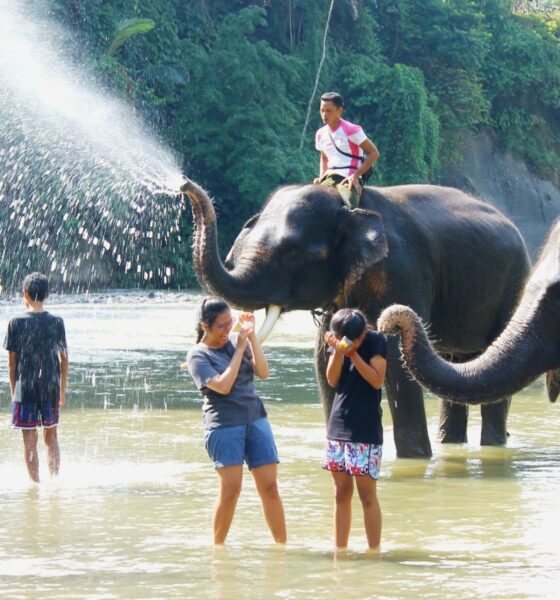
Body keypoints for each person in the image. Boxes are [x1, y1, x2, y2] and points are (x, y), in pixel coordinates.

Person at [186, 297, 287, 545]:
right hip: (224, 425)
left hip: (256, 419)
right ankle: (218, 549)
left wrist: (251, 338)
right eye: (221, 326)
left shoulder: (236, 340)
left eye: (230, 323)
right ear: (205, 326)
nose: (227, 330)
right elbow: (223, 386)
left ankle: (282, 546)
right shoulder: (197, 355)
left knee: (270, 487)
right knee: (231, 490)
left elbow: (263, 372)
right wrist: (240, 349)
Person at [323, 308, 387, 550]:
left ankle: (374, 552)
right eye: (343, 339)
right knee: (340, 492)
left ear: (362, 334)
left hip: (365, 429)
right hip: (338, 425)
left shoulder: (375, 341)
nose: (349, 342)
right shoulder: (340, 340)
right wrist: (339, 352)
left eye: (353, 339)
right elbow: (332, 379)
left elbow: (377, 380)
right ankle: (340, 551)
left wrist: (354, 354)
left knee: (367, 495)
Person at [4, 272, 68, 483]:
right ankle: (54, 481)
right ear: (47, 294)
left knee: (29, 440)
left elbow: (12, 363)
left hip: (25, 388)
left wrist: (14, 391)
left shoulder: (15, 322)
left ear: (25, 294)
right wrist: (62, 390)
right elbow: (64, 359)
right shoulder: (56, 322)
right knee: (51, 437)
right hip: (50, 386)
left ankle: (35, 485)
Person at [314, 91, 379, 209]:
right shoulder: (320, 134)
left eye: (329, 111)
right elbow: (324, 158)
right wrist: (321, 177)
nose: (324, 115)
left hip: (348, 177)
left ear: (339, 110)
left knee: (350, 205)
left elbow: (374, 153)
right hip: (329, 177)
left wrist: (356, 175)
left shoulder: (351, 130)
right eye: (322, 110)